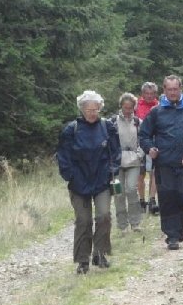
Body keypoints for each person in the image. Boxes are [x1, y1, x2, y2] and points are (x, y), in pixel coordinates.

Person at [57, 90, 121, 274]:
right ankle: (82, 260)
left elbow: (116, 152)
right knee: (83, 221)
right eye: (89, 109)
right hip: (79, 182)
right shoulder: (71, 129)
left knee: (104, 216)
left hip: (102, 180)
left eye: (95, 109)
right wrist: (70, 176)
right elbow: (63, 156)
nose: (92, 113)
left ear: (100, 108)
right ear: (82, 109)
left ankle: (100, 254)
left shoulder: (107, 127)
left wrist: (112, 171)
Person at [139, 75, 183, 250]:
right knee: (167, 198)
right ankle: (172, 235)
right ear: (164, 90)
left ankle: (181, 227)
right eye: (169, 89)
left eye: (175, 89)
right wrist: (150, 148)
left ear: (181, 89)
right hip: (164, 162)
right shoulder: (156, 111)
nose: (172, 92)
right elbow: (144, 135)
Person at [110, 93, 144, 232]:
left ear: (134, 107)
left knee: (131, 189)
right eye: (125, 107)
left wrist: (139, 154)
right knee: (118, 192)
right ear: (121, 106)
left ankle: (135, 223)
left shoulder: (138, 122)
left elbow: (144, 139)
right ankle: (122, 224)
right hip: (116, 162)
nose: (128, 110)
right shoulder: (112, 122)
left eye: (130, 108)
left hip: (133, 161)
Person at [135, 82, 159, 214]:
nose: (149, 96)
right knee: (140, 173)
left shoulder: (159, 105)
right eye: (147, 93)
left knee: (154, 172)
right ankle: (141, 200)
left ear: (155, 94)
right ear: (142, 94)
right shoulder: (136, 105)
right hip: (139, 142)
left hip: (155, 141)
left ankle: (152, 199)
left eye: (152, 93)